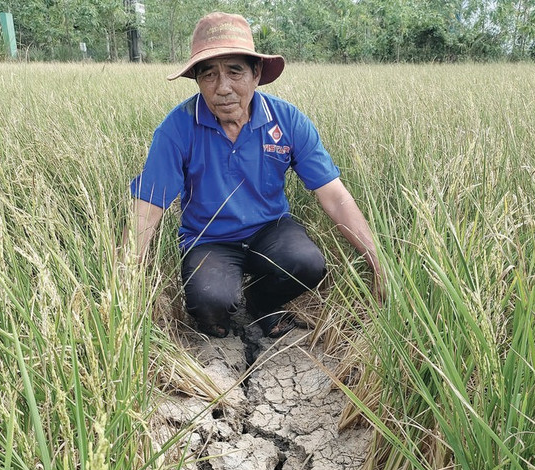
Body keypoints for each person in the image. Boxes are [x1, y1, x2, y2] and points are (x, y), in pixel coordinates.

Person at [127, 11, 383, 338]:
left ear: (256, 72)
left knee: (306, 262)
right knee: (211, 301)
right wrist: (126, 280)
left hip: (270, 230)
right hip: (209, 238)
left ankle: (261, 302)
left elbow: (334, 196)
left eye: (235, 71)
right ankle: (222, 319)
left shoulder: (287, 121)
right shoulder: (177, 128)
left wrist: (376, 260)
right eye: (209, 75)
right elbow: (148, 206)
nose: (223, 88)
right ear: (197, 80)